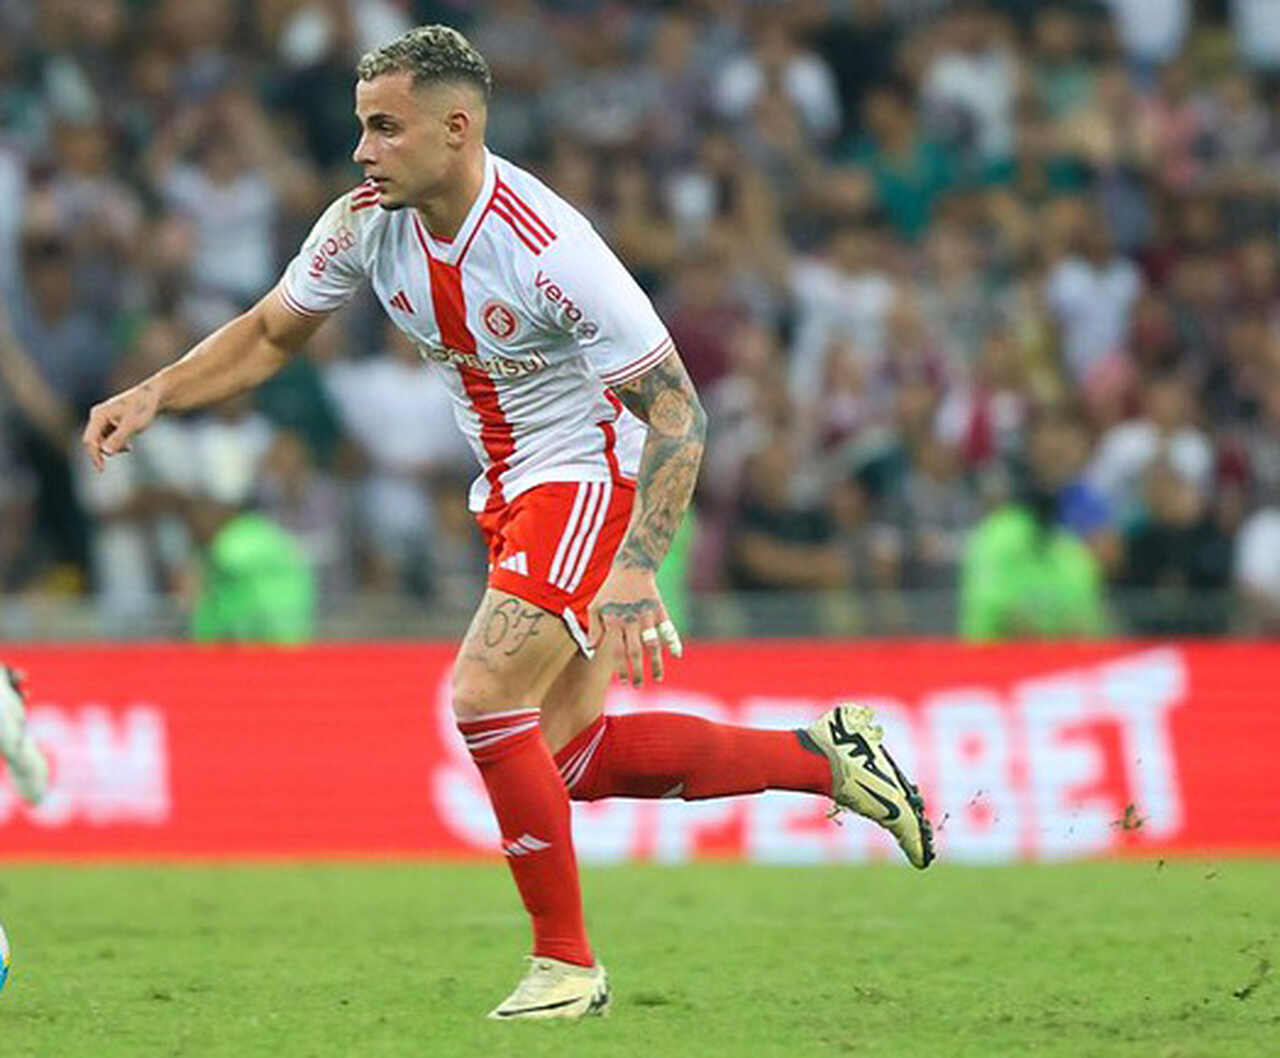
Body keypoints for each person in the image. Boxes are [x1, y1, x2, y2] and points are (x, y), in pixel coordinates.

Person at [80, 26, 933, 1022]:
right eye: (361, 127)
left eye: (385, 129)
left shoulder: (547, 248)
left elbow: (677, 411)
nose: (363, 150)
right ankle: (824, 756)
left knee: (483, 692)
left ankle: (564, 965)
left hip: (588, 475)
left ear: (456, 127)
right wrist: (156, 390)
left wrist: (634, 563)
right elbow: (273, 330)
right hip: (512, 487)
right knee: (566, 757)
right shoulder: (364, 222)